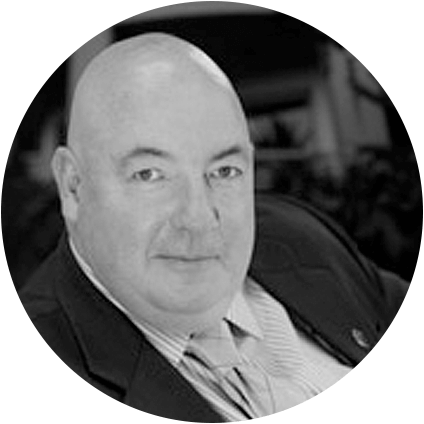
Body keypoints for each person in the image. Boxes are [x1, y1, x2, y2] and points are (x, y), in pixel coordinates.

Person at [18, 33, 409, 422]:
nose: (198, 218)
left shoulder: (298, 234)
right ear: (73, 187)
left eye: (224, 171)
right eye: (150, 174)